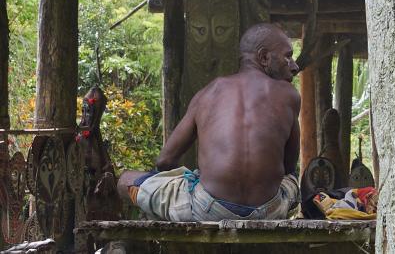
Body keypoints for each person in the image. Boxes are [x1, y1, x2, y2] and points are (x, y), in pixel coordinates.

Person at [117, 23, 302, 221]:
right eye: (288, 56)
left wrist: (197, 179)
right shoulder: (289, 95)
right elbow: (289, 168)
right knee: (292, 182)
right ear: (264, 57)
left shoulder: (208, 93)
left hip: (207, 211)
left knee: (124, 180)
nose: (294, 66)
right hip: (268, 211)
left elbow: (165, 161)